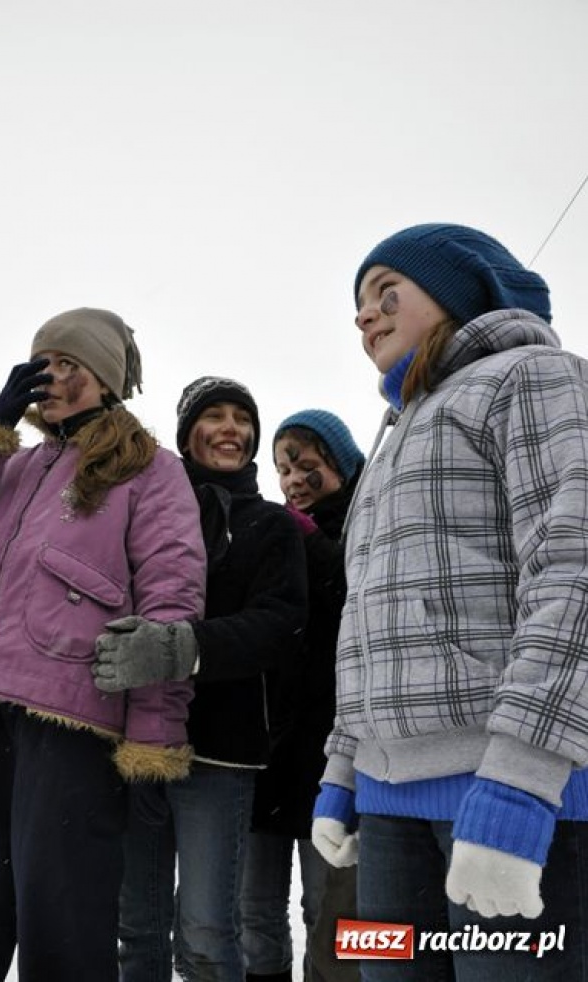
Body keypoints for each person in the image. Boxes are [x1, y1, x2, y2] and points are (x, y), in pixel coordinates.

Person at [312, 223, 588, 980]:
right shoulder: (394, 436)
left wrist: (519, 780)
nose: (364, 314)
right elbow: (368, 619)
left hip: (514, 798)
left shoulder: (532, 376)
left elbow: (573, 570)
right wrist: (343, 770)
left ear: (459, 289)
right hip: (389, 803)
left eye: (385, 291)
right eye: (358, 303)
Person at [0, 308, 207, 982]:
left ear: (106, 378)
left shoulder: (149, 471)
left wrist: (152, 739)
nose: (55, 377)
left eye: (72, 364)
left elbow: (170, 603)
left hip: (72, 729)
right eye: (44, 363)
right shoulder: (7, 468)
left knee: (62, 925)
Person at [93, 375, 309, 982]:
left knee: (209, 933)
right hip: (137, 741)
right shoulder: (145, 511)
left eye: (243, 419)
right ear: (188, 435)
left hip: (223, 751)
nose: (231, 430)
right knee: (136, 926)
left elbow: (280, 624)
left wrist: (186, 648)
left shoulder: (272, 525)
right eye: (215, 416)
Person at [241, 409, 364, 982]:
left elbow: (353, 594)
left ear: (338, 464)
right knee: (255, 909)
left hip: (338, 757)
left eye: (307, 466)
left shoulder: (369, 519)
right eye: (283, 469)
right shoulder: (276, 531)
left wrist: (312, 543)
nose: (293, 481)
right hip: (270, 750)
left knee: (333, 910)